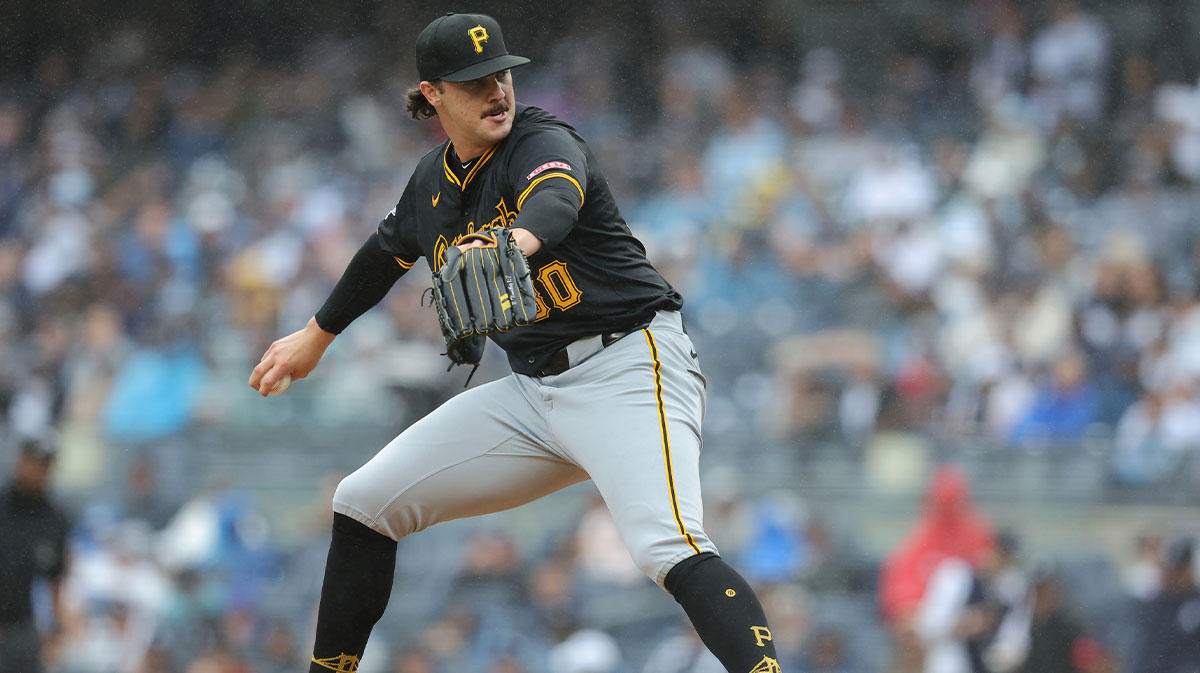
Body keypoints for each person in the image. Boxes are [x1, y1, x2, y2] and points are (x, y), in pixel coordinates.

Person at [248, 12, 780, 673]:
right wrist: (316, 335)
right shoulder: (432, 183)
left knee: (667, 545)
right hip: (536, 393)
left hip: (629, 365)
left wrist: (513, 242)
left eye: (501, 73)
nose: (496, 90)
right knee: (362, 502)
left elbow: (555, 200)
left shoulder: (540, 139)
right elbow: (384, 252)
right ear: (434, 93)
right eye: (474, 82)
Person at [0, 437, 71, 673]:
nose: (40, 470)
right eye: (35, 462)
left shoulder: (54, 519)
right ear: (21, 462)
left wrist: (57, 632)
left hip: (21, 626)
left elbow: (55, 579)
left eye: (46, 465)